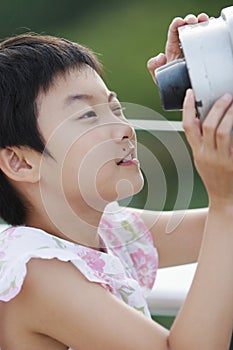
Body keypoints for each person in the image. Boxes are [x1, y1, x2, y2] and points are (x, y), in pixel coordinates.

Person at [0, 11, 232, 350]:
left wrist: (208, 87)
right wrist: (223, 201)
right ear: (20, 162)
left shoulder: (111, 232)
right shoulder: (35, 270)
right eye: (88, 115)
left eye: (117, 108)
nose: (124, 129)